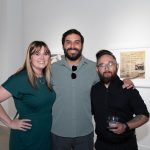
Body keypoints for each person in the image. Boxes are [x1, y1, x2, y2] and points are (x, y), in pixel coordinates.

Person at [51, 29, 134, 150]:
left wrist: (126, 80)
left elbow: (109, 78)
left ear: (82, 45)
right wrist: (24, 69)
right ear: (63, 45)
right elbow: (34, 76)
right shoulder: (51, 69)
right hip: (58, 134)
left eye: (77, 42)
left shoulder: (94, 67)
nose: (72, 46)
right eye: (68, 42)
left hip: (85, 135)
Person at [0, 41, 56, 150]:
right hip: (27, 138)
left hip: (45, 136)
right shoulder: (19, 79)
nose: (42, 57)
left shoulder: (47, 78)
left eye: (45, 53)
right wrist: (10, 123)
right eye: (37, 54)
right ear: (29, 58)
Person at [91, 49, 149, 150]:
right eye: (102, 65)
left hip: (126, 146)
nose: (106, 68)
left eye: (110, 63)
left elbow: (144, 115)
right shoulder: (94, 89)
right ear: (97, 69)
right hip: (101, 145)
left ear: (117, 66)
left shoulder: (128, 88)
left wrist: (126, 126)